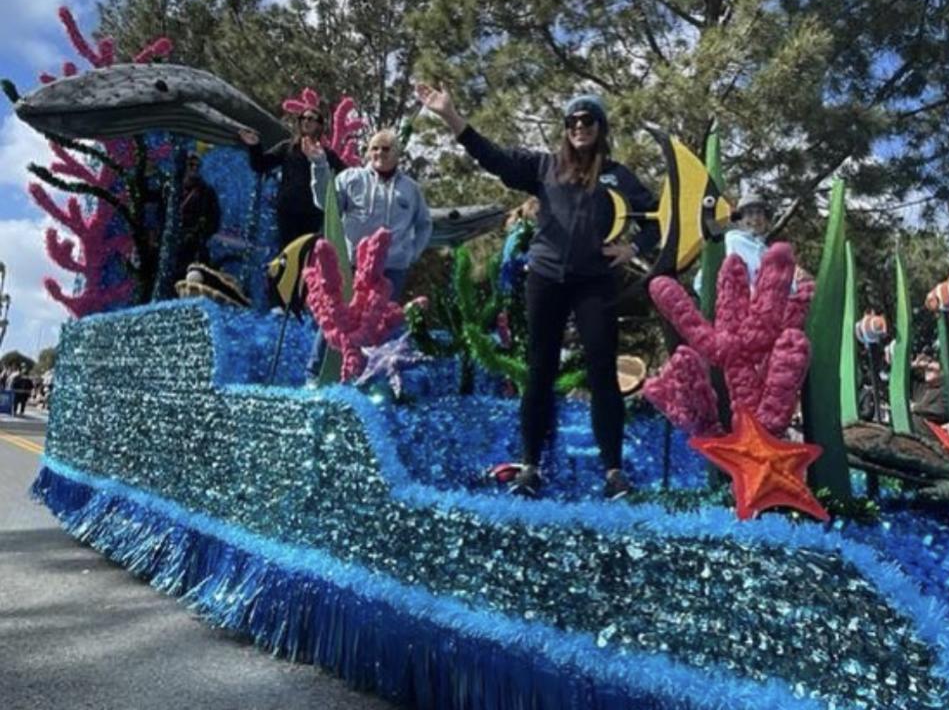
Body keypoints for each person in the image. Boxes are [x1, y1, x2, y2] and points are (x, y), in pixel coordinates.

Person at [415, 83, 659, 500]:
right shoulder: (545, 167)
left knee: (603, 371)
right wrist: (450, 116)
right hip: (545, 278)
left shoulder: (618, 175)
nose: (580, 127)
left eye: (588, 120)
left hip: (594, 282)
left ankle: (614, 473)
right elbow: (493, 158)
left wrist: (633, 247)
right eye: (573, 121)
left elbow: (656, 218)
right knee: (539, 370)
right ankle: (530, 466)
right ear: (565, 129)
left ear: (601, 127)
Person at [305, 129, 433, 377]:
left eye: (386, 149)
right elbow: (325, 202)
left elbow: (425, 224)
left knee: (381, 324)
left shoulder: (411, 189)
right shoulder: (351, 178)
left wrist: (411, 254)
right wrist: (319, 165)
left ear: (397, 154)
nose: (379, 153)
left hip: (391, 269)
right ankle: (314, 372)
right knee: (335, 317)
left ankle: (369, 376)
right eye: (374, 148)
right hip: (352, 264)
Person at [240, 109, 346, 248]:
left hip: (312, 214)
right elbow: (260, 165)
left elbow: (345, 175)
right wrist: (255, 146)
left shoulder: (326, 155)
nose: (306, 121)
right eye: (303, 118)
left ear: (319, 125)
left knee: (307, 254)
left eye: (311, 118)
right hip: (288, 212)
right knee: (287, 253)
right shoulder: (287, 147)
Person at [693, 192, 769, 292]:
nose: (755, 218)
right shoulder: (732, 241)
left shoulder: (768, 251)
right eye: (749, 213)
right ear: (740, 220)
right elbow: (702, 282)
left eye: (759, 212)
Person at [174, 152, 222, 281]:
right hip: (174, 245)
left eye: (197, 165)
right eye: (191, 165)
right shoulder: (174, 189)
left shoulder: (206, 192)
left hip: (195, 246)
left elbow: (214, 219)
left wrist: (200, 233)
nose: (194, 168)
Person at [911, 354, 949, 426]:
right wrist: (915, 364)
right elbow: (902, 375)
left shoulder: (944, 391)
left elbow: (940, 412)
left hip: (929, 433)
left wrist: (915, 408)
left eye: (931, 370)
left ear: (942, 373)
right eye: (926, 369)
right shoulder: (921, 386)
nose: (927, 371)